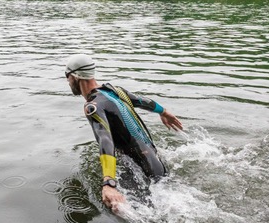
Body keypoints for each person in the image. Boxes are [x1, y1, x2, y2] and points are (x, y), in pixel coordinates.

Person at [65, 54, 183, 211]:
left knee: (127, 212)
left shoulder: (93, 106)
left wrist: (109, 183)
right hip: (158, 164)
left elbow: (105, 139)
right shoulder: (116, 91)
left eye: (67, 77)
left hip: (141, 171)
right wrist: (164, 112)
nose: (67, 81)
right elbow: (142, 101)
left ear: (75, 76)